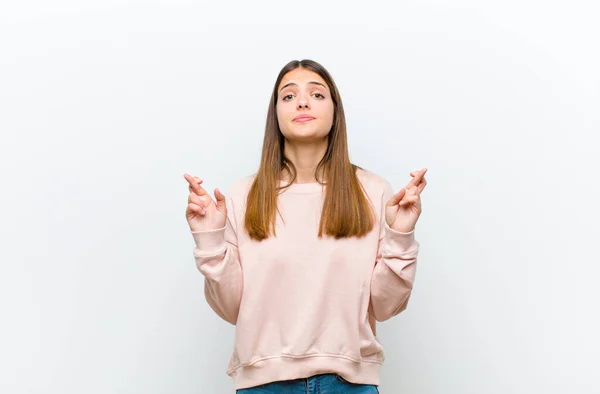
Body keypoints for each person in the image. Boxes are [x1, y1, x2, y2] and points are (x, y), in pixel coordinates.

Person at [183, 59, 428, 393]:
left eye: (316, 94)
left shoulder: (372, 191)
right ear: (276, 115)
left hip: (349, 383)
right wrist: (209, 240)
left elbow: (386, 306)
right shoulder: (243, 195)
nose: (302, 102)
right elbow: (230, 308)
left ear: (334, 111)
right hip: (263, 385)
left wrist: (400, 236)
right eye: (288, 96)